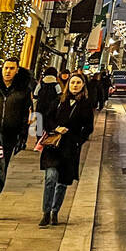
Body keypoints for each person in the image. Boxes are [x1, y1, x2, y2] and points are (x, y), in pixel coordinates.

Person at [38, 71, 94, 226]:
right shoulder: (58, 101)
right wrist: (56, 128)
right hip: (53, 146)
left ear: (83, 86)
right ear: (68, 85)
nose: (75, 86)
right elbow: (47, 118)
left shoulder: (85, 105)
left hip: (70, 149)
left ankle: (55, 211)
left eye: (78, 83)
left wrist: (77, 141)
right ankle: (46, 212)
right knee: (50, 178)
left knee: (62, 183)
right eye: (72, 82)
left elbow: (88, 127)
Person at [0, 58, 32, 194]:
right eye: (6, 68)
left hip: (9, 135)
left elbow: (26, 115)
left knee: (2, 167)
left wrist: (22, 136)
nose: (8, 71)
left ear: (17, 70)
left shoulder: (23, 90)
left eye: (11, 68)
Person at [34, 67, 61, 137]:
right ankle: (46, 140)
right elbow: (59, 96)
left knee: (39, 125)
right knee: (49, 125)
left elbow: (35, 95)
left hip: (40, 107)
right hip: (52, 109)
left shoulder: (41, 84)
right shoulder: (56, 85)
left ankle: (38, 140)